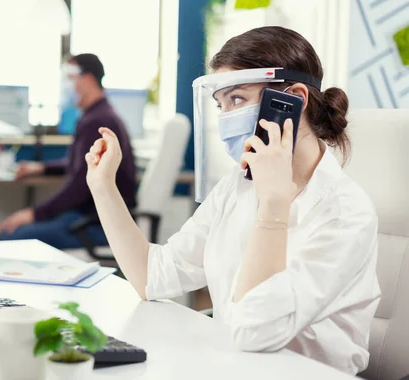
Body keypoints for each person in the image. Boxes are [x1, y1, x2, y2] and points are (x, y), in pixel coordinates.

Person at [84, 26, 380, 375]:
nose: (226, 118)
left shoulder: (346, 213)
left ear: (294, 100)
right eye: (220, 105)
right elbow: (152, 276)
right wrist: (104, 186)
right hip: (234, 367)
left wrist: (273, 203)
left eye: (237, 99)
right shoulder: (236, 187)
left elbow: (255, 330)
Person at [0, 53, 137, 249]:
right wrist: (41, 168)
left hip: (95, 225)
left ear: (87, 79)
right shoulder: (98, 115)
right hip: (93, 218)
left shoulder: (98, 122)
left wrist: (33, 214)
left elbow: (81, 184)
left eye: (70, 79)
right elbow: (82, 165)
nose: (67, 86)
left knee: (13, 235)